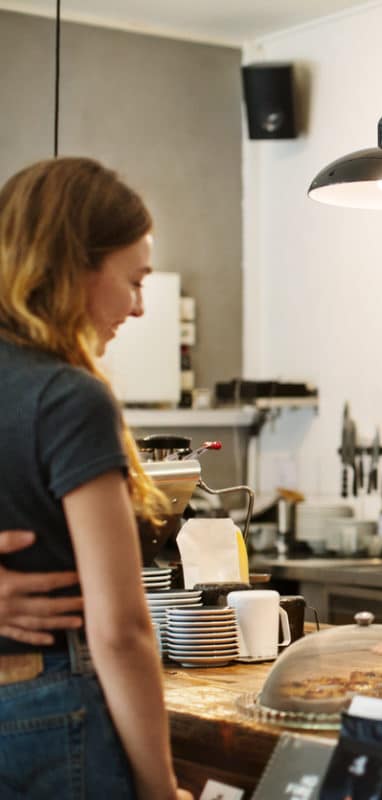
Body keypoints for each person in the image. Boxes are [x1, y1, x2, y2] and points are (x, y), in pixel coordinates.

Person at [0, 157, 192, 800]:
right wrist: (160, 788)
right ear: (75, 266)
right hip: (45, 713)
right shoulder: (67, 397)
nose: (139, 308)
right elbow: (121, 629)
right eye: (134, 281)